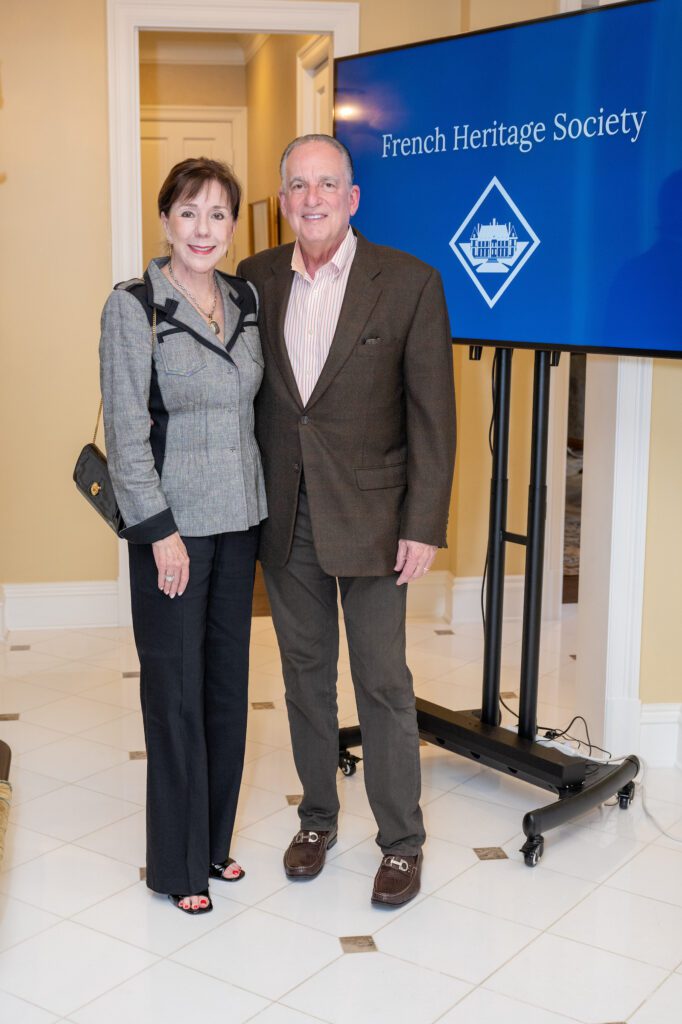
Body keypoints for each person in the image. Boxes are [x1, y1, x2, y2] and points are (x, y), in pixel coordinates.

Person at [237, 134, 455, 907]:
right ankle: (317, 819)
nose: (313, 197)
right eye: (298, 184)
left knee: (383, 682)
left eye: (327, 183)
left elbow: (434, 417)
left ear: (351, 197)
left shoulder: (409, 282)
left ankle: (401, 841)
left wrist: (422, 523)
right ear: (284, 199)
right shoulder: (255, 279)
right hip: (284, 517)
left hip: (375, 518)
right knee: (303, 679)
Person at [100, 157, 267, 914]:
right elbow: (128, 432)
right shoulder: (133, 306)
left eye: (219, 214)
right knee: (174, 694)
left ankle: (214, 844)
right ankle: (176, 867)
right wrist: (158, 532)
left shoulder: (244, 299)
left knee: (227, 689)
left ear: (232, 225)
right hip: (173, 530)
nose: (205, 229)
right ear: (166, 219)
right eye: (190, 213)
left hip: (240, 525)